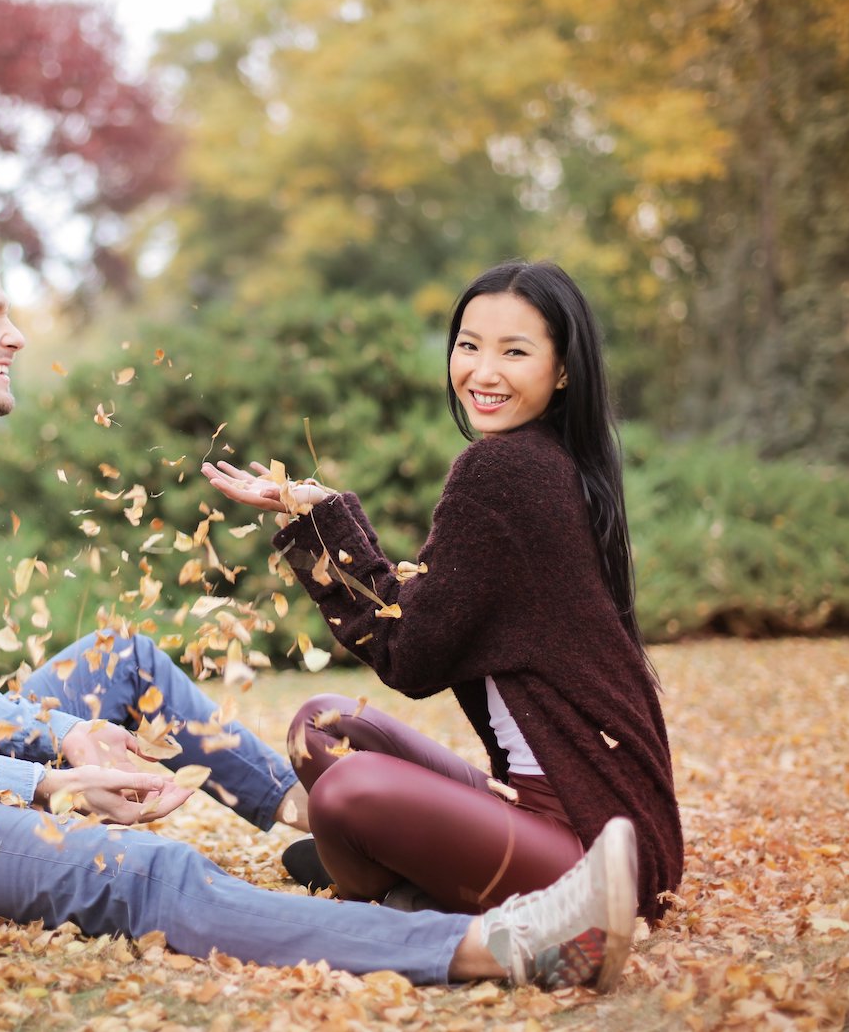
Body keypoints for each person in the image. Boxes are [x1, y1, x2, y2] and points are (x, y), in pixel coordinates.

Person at [0, 222, 640, 991]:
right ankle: (499, 945)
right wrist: (52, 781)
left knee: (123, 663)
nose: (17, 335)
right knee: (150, 873)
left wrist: (60, 731)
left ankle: (306, 823)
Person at [202, 260, 682, 934]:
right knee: (323, 725)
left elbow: (411, 656)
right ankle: (404, 867)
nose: (483, 372)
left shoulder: (502, 470)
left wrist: (324, 526)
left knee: (344, 789)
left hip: (595, 855)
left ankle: (401, 876)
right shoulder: (548, 460)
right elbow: (420, 620)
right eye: (468, 344)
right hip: (601, 826)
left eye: (514, 351)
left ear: (563, 369)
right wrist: (316, 514)